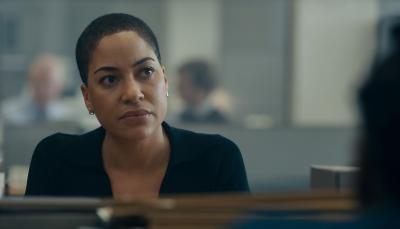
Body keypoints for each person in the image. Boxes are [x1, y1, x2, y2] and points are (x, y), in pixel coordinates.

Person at [25, 13, 249, 199]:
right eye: (110, 80)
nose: (133, 93)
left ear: (165, 80)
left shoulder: (217, 160)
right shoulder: (56, 161)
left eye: (146, 72)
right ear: (87, 98)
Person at [1, 54, 74, 124]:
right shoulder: (7, 115)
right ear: (29, 80)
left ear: (60, 85)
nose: (41, 88)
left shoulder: (68, 118)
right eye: (37, 81)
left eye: (47, 82)